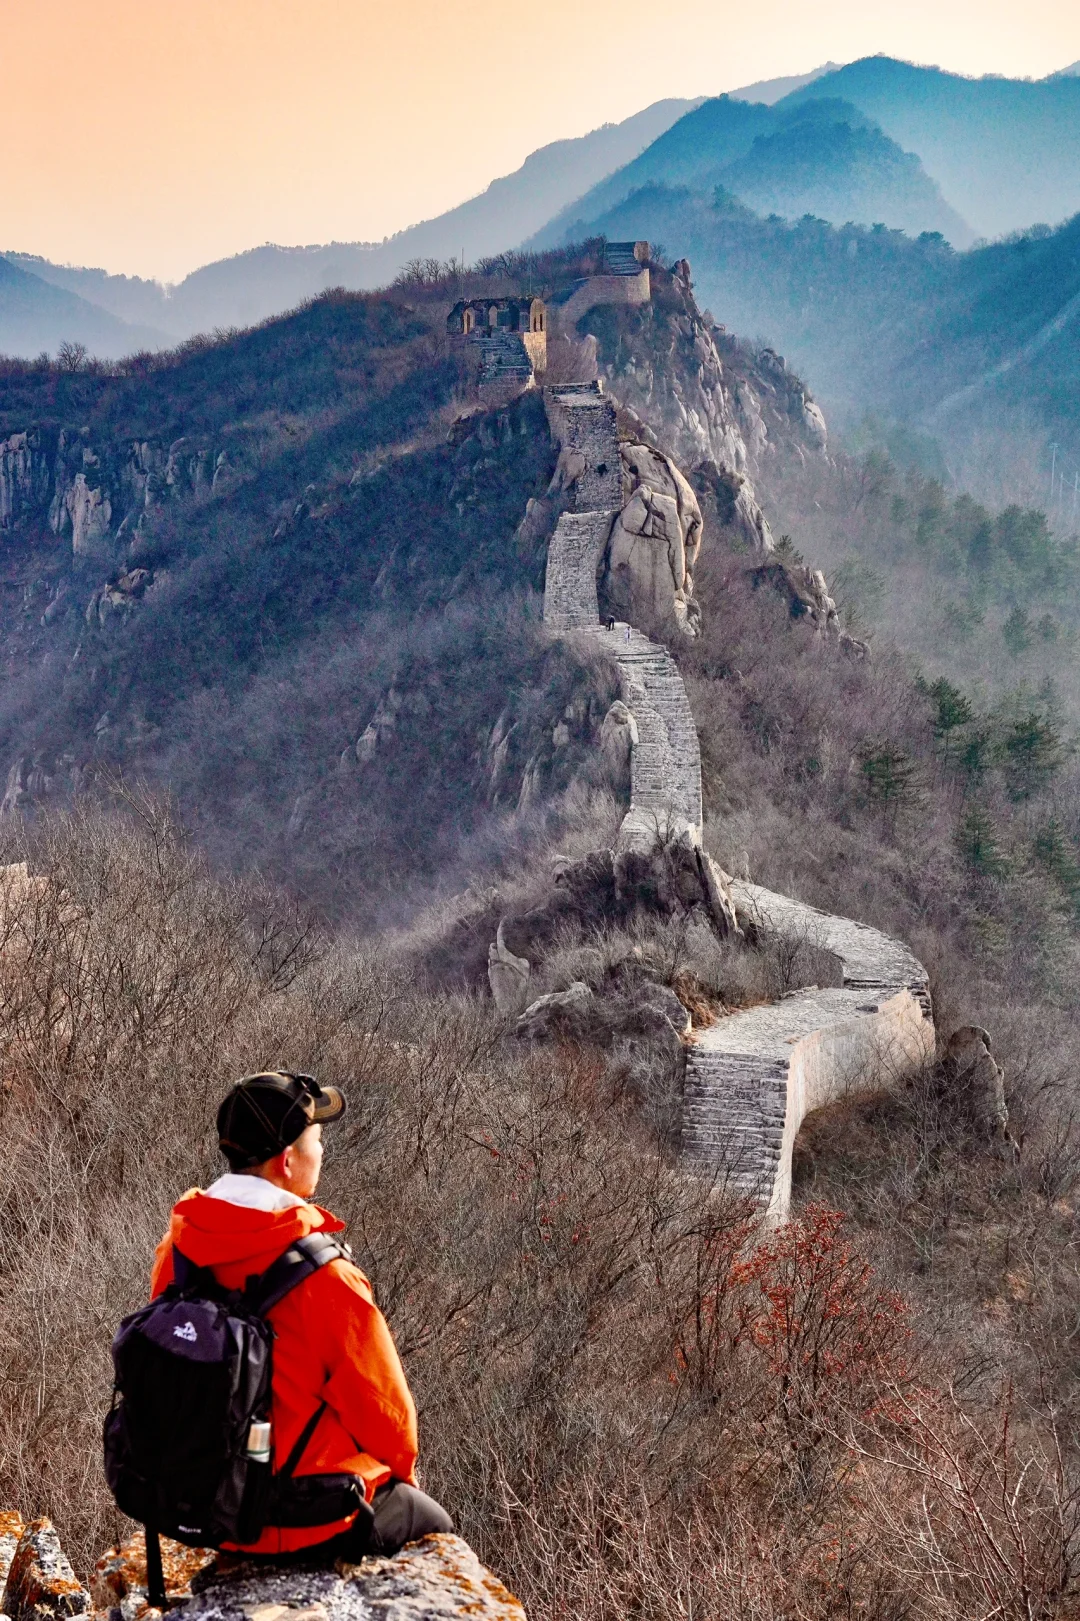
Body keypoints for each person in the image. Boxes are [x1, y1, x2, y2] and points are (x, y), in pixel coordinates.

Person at [150, 1071, 452, 1559]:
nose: (323, 1149)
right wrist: (402, 1484)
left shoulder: (178, 1250)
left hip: (204, 1504)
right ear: (287, 1160)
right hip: (297, 1516)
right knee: (435, 1528)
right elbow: (386, 1414)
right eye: (316, 1137)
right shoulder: (325, 1277)